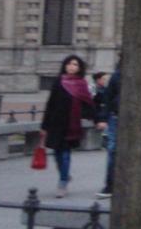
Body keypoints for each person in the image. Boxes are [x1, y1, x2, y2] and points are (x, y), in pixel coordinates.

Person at [40, 54, 99, 198]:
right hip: (55, 123)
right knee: (56, 153)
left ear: (79, 68)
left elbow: (89, 104)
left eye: (75, 65)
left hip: (71, 125)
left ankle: (62, 183)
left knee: (65, 153)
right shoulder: (58, 82)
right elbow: (50, 104)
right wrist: (44, 125)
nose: (72, 67)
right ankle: (65, 174)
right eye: (70, 64)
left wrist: (97, 119)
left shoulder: (81, 84)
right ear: (65, 66)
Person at [96, 62, 121, 198]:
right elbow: (107, 98)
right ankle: (110, 185)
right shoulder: (117, 75)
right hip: (116, 117)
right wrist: (103, 118)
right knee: (112, 150)